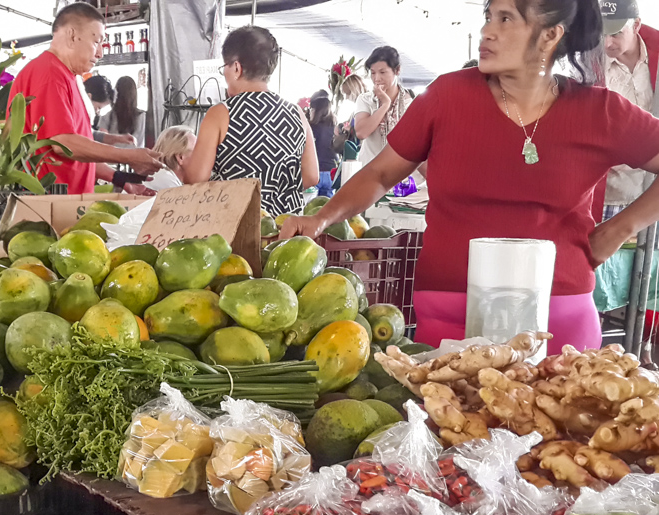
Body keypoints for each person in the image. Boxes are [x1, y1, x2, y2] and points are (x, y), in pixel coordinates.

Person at [280, 0, 659, 355]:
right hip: (450, 317)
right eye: (487, 17)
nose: (486, 32)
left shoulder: (598, 111)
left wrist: (619, 230)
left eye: (505, 19)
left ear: (550, 34)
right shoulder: (447, 96)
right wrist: (321, 218)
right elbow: (380, 174)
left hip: (559, 319)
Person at [7, 2, 162, 194]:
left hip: (67, 201)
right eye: (96, 41)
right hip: (48, 202)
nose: (100, 53)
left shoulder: (67, 76)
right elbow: (63, 144)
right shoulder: (49, 74)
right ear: (72, 36)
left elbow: (78, 151)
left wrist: (120, 178)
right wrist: (128, 157)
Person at [185, 26, 319, 216]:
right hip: (284, 233)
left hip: (233, 228)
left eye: (224, 67)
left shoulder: (221, 114)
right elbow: (312, 176)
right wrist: (272, 192)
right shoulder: (296, 113)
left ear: (236, 68)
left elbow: (196, 179)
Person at [601, 0, 659, 222]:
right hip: (607, 195)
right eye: (602, 32)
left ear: (636, 25)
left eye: (615, 33)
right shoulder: (587, 66)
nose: (607, 42)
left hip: (651, 197)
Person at [353, 46, 424, 186]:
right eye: (372, 73)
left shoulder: (412, 104)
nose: (376, 78)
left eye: (382, 72)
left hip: (405, 180)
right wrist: (385, 105)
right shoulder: (365, 99)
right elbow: (361, 132)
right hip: (371, 176)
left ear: (397, 70)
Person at [99, 76, 146, 147]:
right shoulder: (142, 116)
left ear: (116, 94)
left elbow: (102, 142)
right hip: (136, 157)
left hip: (112, 157)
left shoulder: (107, 117)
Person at [145, 126, 198, 191]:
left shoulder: (162, 175)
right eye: (197, 150)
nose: (202, 157)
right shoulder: (166, 181)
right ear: (180, 157)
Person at [308, 90, 339, 197]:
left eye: (311, 109)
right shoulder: (336, 128)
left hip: (315, 172)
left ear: (316, 111)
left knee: (311, 208)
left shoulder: (310, 128)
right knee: (327, 207)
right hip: (332, 172)